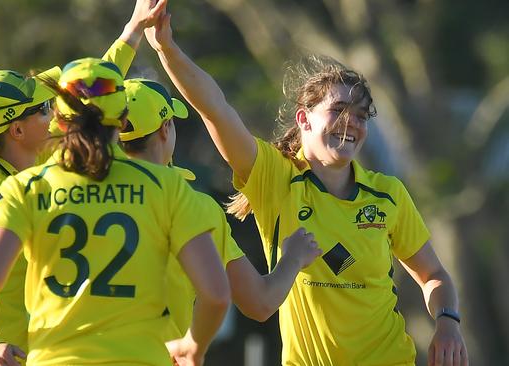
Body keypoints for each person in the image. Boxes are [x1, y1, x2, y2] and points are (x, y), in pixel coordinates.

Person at [143, 10, 468, 366]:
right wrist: (167, 49)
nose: (351, 123)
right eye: (339, 109)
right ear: (304, 119)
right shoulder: (274, 178)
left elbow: (433, 275)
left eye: (361, 115)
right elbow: (215, 110)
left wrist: (447, 321)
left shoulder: (387, 193)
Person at [0, 58, 230, 366]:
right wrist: (193, 345)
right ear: (122, 122)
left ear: (60, 120)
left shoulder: (26, 188)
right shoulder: (166, 186)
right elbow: (216, 295)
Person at [0, 2, 168, 365]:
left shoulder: (39, 166)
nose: (54, 111)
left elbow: (91, 95)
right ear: (17, 130)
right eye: (42, 109)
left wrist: (131, 31)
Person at [117, 78, 321, 344]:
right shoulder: (191, 206)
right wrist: (293, 257)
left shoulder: (67, 192)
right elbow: (259, 302)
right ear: (166, 129)